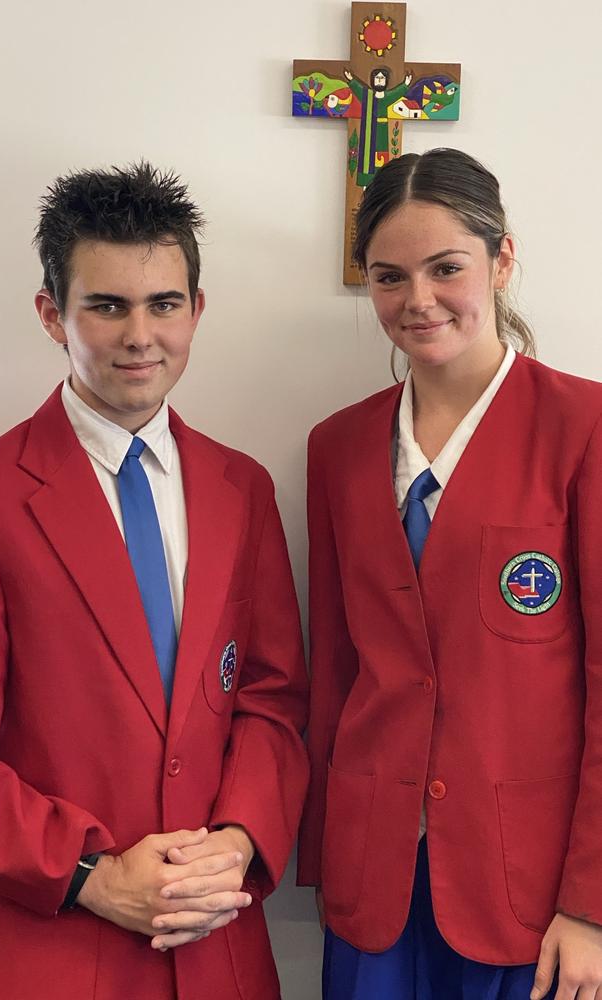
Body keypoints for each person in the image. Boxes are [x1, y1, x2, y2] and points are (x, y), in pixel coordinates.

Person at [0, 162, 309, 1000]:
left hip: (216, 943)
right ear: (52, 314)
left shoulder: (243, 488)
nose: (139, 335)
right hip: (50, 946)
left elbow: (271, 698)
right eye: (106, 306)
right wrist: (91, 874)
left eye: (164, 304)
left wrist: (239, 840)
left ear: (197, 308)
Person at [298, 147, 602, 999]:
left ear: (502, 259)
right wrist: (327, 857)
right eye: (390, 277)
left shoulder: (583, 428)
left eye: (446, 269)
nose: (417, 300)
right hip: (377, 878)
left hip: (529, 889)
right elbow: (336, 674)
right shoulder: (340, 447)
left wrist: (592, 906)